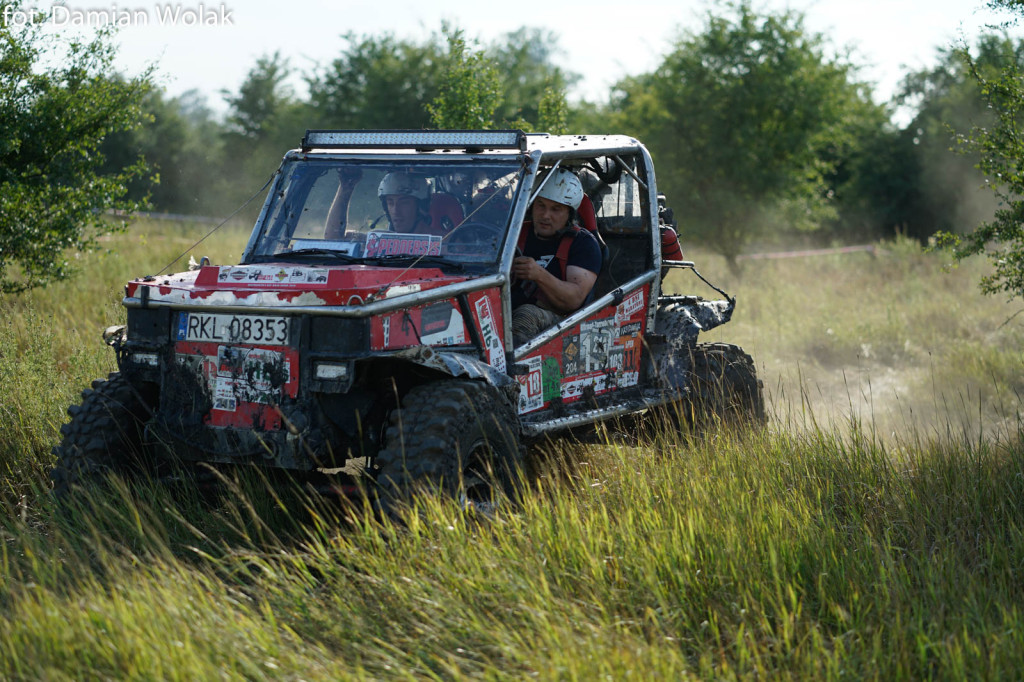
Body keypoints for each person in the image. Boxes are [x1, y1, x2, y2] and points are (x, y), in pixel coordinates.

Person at [511, 168, 602, 347]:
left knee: (526, 316)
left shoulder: (583, 244)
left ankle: (510, 373)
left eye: (556, 209)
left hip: (563, 321)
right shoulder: (515, 232)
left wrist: (539, 274)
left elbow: (574, 300)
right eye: (541, 205)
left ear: (569, 213)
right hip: (503, 308)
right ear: (531, 205)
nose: (546, 215)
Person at [324, 170, 462, 240]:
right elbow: (333, 238)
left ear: (422, 207)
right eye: (390, 203)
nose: (396, 211)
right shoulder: (378, 239)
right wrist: (345, 188)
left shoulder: (446, 242)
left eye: (404, 203)